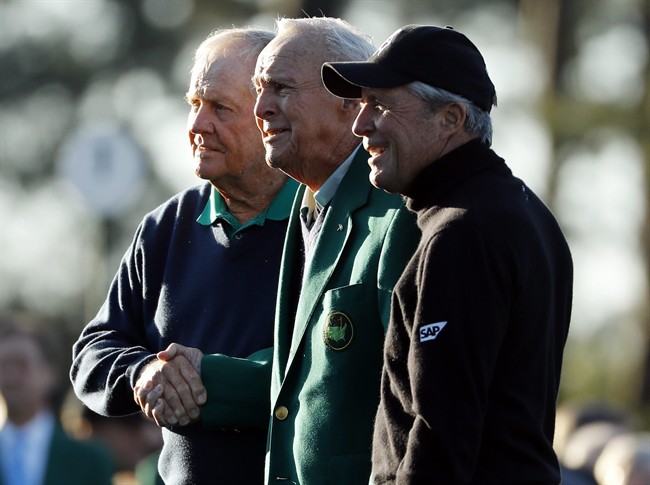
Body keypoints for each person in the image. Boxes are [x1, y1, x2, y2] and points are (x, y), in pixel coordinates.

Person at [140, 17, 421, 484]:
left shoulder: (394, 213)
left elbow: (403, 387)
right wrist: (156, 374)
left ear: (347, 102)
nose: (262, 108)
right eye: (258, 90)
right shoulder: (309, 203)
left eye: (281, 89)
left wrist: (199, 380)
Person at [322, 24, 574, 483]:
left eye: (379, 105)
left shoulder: (463, 231)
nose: (360, 125)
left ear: (451, 118)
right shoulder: (521, 212)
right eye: (361, 105)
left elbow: (441, 431)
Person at [70, 27, 298, 484]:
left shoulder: (321, 218)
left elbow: (325, 373)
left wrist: (204, 380)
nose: (197, 125)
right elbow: (91, 354)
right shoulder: (164, 228)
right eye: (194, 104)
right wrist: (143, 373)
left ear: (268, 115)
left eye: (220, 108)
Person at [0, 322, 114, 485]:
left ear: (50, 374)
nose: (11, 376)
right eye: (3, 365)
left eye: (21, 365)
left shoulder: (88, 459)